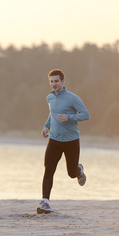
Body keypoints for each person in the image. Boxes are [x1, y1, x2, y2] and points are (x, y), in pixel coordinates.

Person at [38, 69, 90, 214]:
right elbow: (52, 113)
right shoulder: (49, 97)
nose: (54, 84)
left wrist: (69, 117)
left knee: (71, 173)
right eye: (51, 81)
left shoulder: (72, 98)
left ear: (62, 81)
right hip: (54, 140)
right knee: (49, 169)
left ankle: (79, 170)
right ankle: (45, 202)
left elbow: (86, 115)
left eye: (56, 81)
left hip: (71, 141)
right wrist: (46, 126)